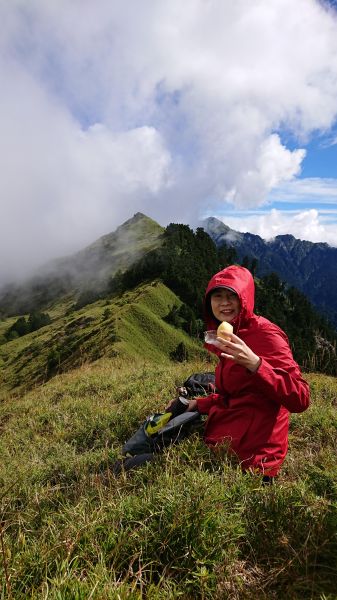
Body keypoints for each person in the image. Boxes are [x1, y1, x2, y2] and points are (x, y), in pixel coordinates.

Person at [186, 265, 310, 479]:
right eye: (218, 296)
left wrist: (256, 364)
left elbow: (301, 398)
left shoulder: (266, 335)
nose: (224, 303)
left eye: (232, 296)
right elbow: (237, 394)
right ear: (209, 302)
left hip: (254, 460)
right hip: (226, 439)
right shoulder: (229, 332)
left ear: (244, 299)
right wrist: (199, 404)